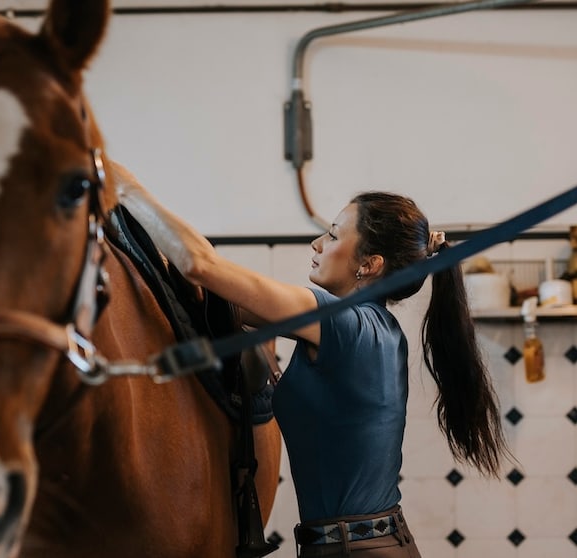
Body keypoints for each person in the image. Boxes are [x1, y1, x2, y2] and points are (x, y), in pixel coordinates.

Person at [112, 161, 510, 558]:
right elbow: (226, 302)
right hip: (375, 544)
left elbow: (200, 266)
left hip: (353, 551)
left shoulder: (341, 322)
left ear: (368, 265)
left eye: (334, 235)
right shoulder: (381, 330)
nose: (317, 244)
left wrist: (125, 188)